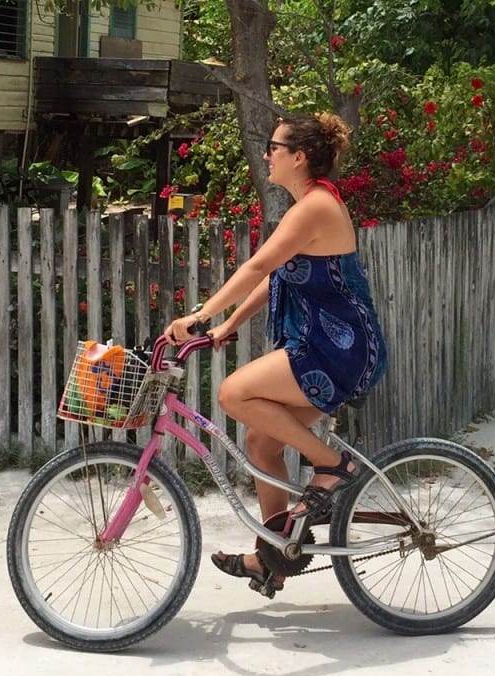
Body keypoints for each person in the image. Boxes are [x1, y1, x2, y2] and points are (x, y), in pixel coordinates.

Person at [162, 112, 389, 596]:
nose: (267, 154)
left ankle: (334, 467)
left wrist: (198, 316)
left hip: (340, 348)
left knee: (232, 393)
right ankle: (276, 553)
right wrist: (227, 324)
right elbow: (277, 277)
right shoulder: (305, 205)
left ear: (299, 157)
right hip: (326, 345)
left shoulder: (316, 206)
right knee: (263, 442)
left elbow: (260, 263)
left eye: (275, 147)